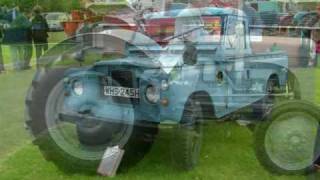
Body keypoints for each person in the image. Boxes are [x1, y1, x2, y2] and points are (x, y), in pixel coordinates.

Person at [3, 6, 31, 70]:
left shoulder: (8, 16)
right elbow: (27, 25)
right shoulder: (21, 16)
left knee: (14, 52)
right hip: (19, 36)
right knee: (20, 51)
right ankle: (20, 65)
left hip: (12, 37)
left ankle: (15, 66)